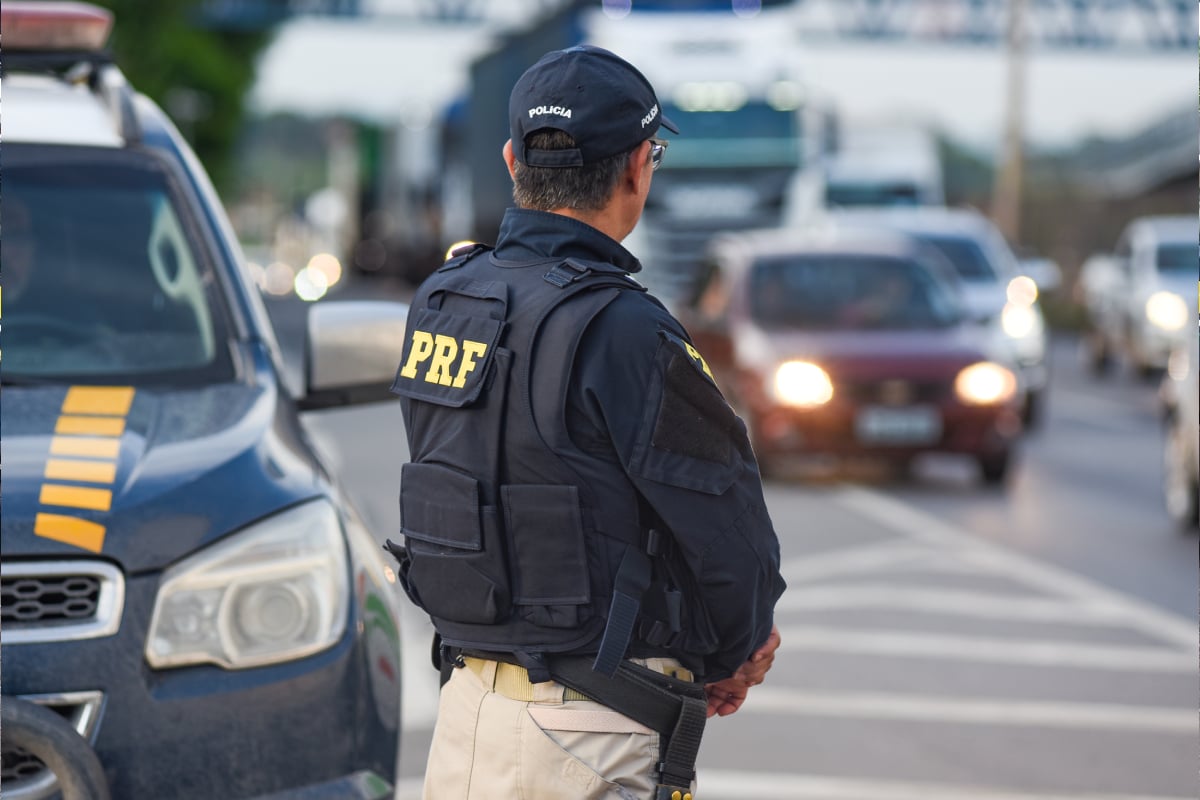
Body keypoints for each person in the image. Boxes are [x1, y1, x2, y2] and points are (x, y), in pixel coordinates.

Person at [388, 45, 785, 800]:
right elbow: (728, 526)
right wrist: (737, 649)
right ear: (638, 166)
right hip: (587, 738)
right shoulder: (626, 329)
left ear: (512, 162)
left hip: (468, 718)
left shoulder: (444, 300)